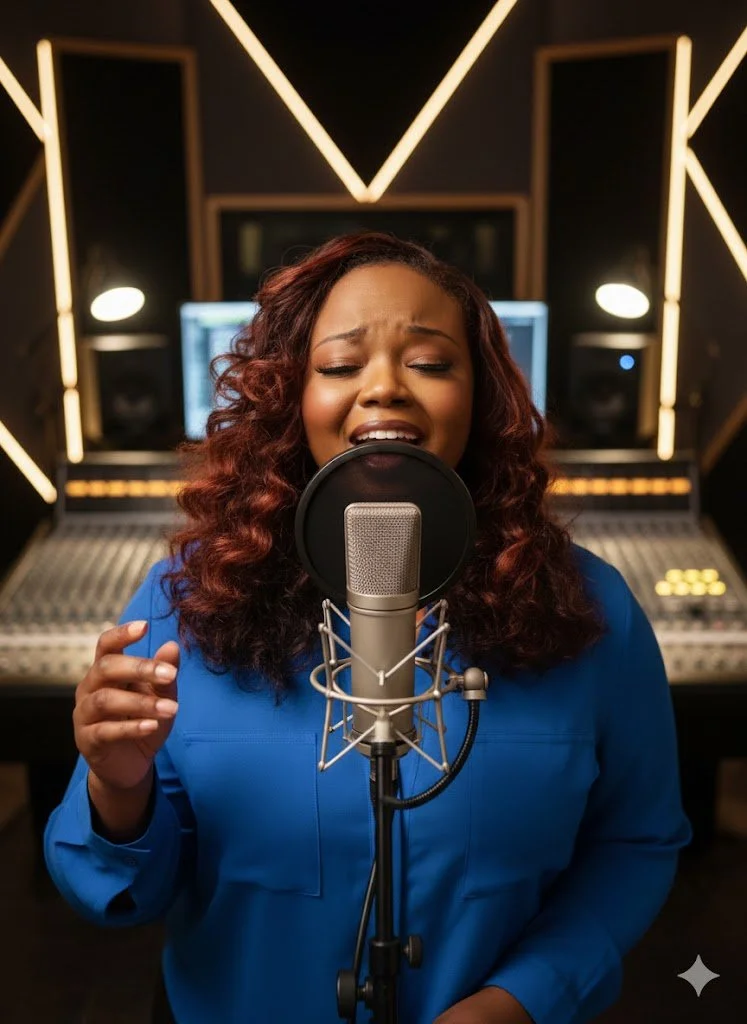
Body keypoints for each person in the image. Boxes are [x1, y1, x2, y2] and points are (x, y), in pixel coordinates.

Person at [45, 232, 692, 1024]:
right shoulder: (180, 603)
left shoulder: (590, 608)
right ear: (291, 396)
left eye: (428, 362)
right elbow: (115, 892)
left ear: (479, 399)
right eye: (341, 365)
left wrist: (523, 1000)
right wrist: (118, 787)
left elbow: (635, 843)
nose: (383, 388)